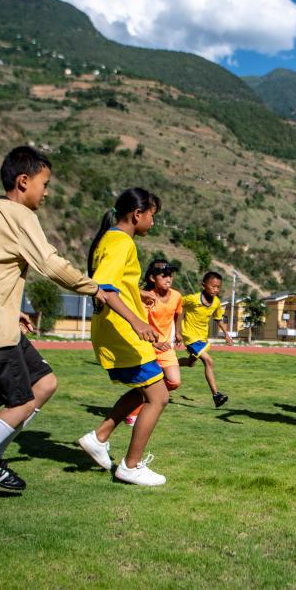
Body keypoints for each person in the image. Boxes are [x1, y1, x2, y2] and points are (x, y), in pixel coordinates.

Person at [0, 146, 156, 519]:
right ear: (23, 181)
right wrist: (94, 288)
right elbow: (48, 263)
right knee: (20, 403)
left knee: (44, 384)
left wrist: (13, 310)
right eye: (44, 184)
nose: (46, 193)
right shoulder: (18, 214)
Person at [77, 188, 170, 487]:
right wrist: (137, 323)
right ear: (137, 214)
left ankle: (99, 437)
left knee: (145, 391)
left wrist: (136, 294)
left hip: (114, 328)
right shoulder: (121, 241)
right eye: (152, 217)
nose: (153, 223)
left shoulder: (111, 238)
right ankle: (131, 466)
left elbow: (116, 283)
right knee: (159, 396)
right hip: (121, 330)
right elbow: (103, 286)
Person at [124, 260, 183, 426]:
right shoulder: (146, 298)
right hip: (147, 346)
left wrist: (178, 331)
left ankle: (145, 399)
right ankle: (134, 412)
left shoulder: (177, 296)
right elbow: (139, 324)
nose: (168, 279)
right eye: (164, 276)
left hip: (165, 347)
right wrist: (153, 343)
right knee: (148, 383)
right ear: (152, 278)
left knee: (174, 381)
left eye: (170, 275)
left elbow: (179, 312)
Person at [179, 271, 234, 407]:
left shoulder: (216, 302)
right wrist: (178, 330)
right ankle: (216, 395)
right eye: (213, 286)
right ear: (203, 285)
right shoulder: (193, 299)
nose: (216, 290)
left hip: (202, 337)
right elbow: (178, 306)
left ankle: (166, 364)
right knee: (208, 361)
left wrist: (226, 334)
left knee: (190, 363)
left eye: (218, 287)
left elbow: (218, 319)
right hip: (190, 336)